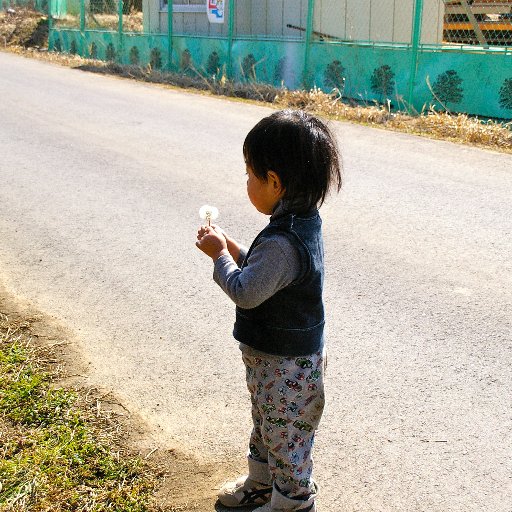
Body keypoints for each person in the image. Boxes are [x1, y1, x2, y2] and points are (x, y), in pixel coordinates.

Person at [195, 110, 342, 512]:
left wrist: (219, 257)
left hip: (286, 366)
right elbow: (266, 272)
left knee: (286, 439)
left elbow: (247, 290)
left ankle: (292, 503)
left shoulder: (283, 239)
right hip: (275, 361)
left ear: (274, 182)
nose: (246, 182)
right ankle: (261, 486)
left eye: (249, 173)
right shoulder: (299, 222)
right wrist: (232, 246)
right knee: (267, 426)